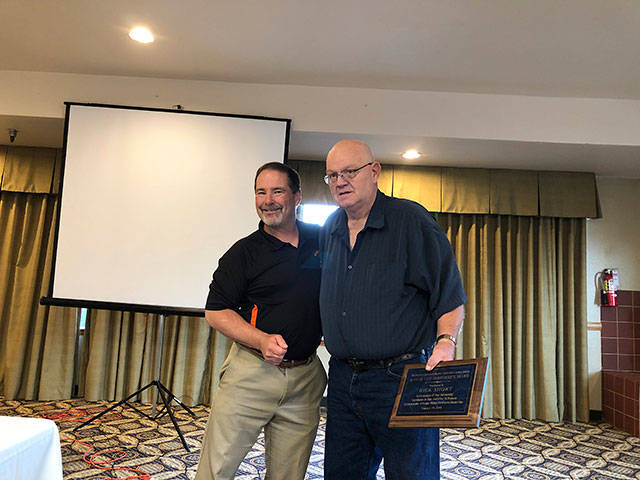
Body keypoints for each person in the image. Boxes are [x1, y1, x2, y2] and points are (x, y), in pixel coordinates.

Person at [319, 139, 467, 479]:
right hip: (342, 379)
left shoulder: (410, 221)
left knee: (411, 474)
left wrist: (446, 342)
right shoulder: (331, 227)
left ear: (374, 172)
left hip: (399, 379)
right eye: (332, 175)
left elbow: (449, 293)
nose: (340, 181)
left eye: (350, 172)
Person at [194, 162, 326, 480]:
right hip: (250, 375)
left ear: (297, 196)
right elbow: (216, 312)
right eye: (260, 192)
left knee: (288, 476)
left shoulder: (323, 241)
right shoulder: (243, 254)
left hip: (305, 379)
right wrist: (261, 340)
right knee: (217, 470)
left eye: (277, 191)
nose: (268, 200)